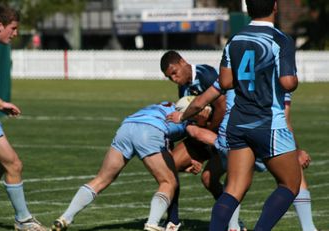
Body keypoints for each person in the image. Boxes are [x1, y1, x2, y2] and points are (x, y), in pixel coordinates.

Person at [167, 81, 319, 231]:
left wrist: (183, 117)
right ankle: (308, 228)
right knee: (292, 177)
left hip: (233, 130)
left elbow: (206, 98)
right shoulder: (274, 70)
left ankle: (233, 227)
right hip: (264, 129)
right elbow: (288, 93)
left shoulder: (234, 64)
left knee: (232, 185)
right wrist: (296, 150)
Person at [51, 97, 211, 231]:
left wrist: (183, 165)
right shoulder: (187, 120)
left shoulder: (164, 105)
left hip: (126, 127)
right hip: (149, 132)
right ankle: (152, 224)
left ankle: (65, 218)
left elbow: (167, 153)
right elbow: (197, 134)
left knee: (101, 179)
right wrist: (216, 138)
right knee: (168, 182)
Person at [211, 0, 301, 229]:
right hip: (268, 122)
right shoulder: (280, 39)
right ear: (275, 6)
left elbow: (225, 81)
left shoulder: (235, 39)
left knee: (234, 188)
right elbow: (288, 82)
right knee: (290, 184)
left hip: (238, 121)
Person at [0, 5, 47, 231]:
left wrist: (0, 103)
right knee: (13, 164)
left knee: (4, 163)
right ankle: (23, 220)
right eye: (13, 28)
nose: (15, 33)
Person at [160, 51, 226, 231]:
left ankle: (233, 222)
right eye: (169, 77)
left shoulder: (207, 74)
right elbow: (191, 121)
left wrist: (206, 130)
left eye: (174, 72)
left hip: (223, 135)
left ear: (183, 62)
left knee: (208, 180)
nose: (174, 78)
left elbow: (222, 106)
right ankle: (173, 221)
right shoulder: (183, 87)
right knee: (169, 167)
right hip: (202, 135)